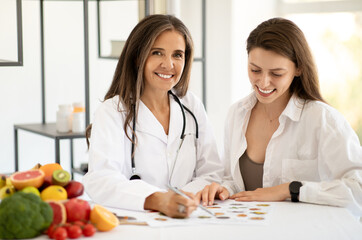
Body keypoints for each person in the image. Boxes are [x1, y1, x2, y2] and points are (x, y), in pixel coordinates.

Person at [199, 17, 362, 216]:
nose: (264, 82)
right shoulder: (237, 113)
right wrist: (225, 189)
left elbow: (358, 189)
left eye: (276, 73)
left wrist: (290, 189)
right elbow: (236, 181)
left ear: (298, 69)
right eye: (255, 70)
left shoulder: (323, 119)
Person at [82, 14, 223, 218]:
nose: (168, 64)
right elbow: (101, 180)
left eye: (177, 55)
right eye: (157, 53)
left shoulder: (191, 105)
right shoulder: (113, 111)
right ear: (138, 57)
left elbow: (211, 171)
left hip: (190, 218)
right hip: (136, 222)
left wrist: (186, 196)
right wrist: (158, 199)